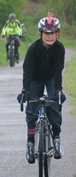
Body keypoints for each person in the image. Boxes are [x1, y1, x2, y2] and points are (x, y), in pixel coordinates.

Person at [17, 17, 65, 164]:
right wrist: (25, 90)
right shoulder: (33, 49)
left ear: (57, 34)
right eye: (46, 33)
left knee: (54, 106)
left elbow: (58, 71)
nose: (49, 36)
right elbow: (28, 71)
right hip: (35, 79)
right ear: (41, 34)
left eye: (52, 33)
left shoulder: (60, 49)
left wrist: (58, 90)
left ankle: (56, 138)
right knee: (31, 111)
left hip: (51, 78)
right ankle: (31, 143)